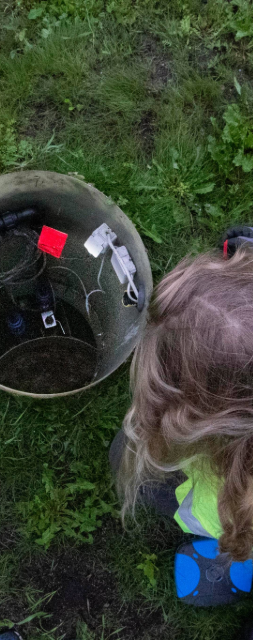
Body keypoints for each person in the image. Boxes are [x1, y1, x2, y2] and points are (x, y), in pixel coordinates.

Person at [112, 226, 253, 607]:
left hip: (227, 515)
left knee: (137, 472)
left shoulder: (226, 501)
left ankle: (236, 556)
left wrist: (236, 536)